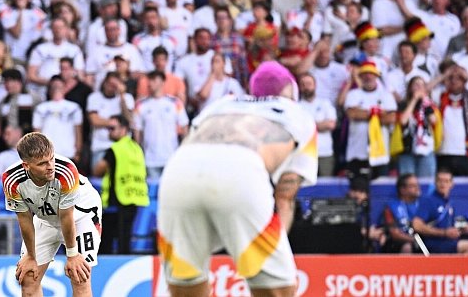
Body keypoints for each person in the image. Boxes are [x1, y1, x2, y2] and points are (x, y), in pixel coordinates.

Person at [158, 61, 317, 296]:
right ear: (291, 91)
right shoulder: (298, 115)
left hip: (179, 168)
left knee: (186, 285)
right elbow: (284, 197)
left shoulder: (222, 104)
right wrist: (269, 252)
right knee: (277, 290)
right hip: (243, 167)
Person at [2, 132, 102, 296]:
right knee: (28, 276)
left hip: (80, 216)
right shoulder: (11, 179)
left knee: (79, 275)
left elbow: (67, 216)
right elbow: (24, 219)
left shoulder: (66, 171)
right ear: (26, 166)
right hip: (45, 219)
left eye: (52, 159)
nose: (50, 167)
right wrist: (31, 257)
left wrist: (72, 255)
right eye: (42, 163)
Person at [94, 114, 149, 255]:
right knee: (125, 240)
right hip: (134, 197)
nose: (109, 132)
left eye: (112, 128)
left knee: (106, 243)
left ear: (123, 129)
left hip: (117, 200)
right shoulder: (136, 148)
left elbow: (98, 170)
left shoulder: (116, 149)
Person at [412, 169, 468, 254]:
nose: (443, 184)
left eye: (446, 181)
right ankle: (459, 267)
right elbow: (417, 225)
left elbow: (450, 227)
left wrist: (461, 230)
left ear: (452, 184)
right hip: (435, 243)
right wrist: (444, 233)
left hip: (450, 242)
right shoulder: (428, 201)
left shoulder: (449, 203)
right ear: (435, 182)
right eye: (440, 181)